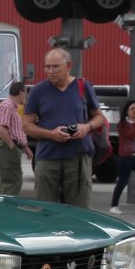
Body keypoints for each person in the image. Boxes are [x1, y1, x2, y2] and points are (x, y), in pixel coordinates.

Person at [22, 48, 105, 208]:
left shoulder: (83, 86)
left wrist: (86, 127)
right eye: (47, 67)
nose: (51, 71)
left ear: (68, 66)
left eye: (55, 66)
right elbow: (26, 125)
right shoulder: (38, 91)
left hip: (77, 158)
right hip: (47, 157)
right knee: (44, 209)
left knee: (79, 210)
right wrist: (50, 134)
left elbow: (99, 117)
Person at [0, 80, 31, 196]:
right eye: (25, 93)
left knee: (10, 181)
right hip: (8, 148)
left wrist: (25, 148)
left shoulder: (12, 107)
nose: (25, 96)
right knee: (12, 182)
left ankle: (5, 205)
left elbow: (15, 131)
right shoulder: (7, 106)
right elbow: (1, 128)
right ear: (21, 92)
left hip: (11, 147)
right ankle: (7, 206)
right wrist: (12, 146)